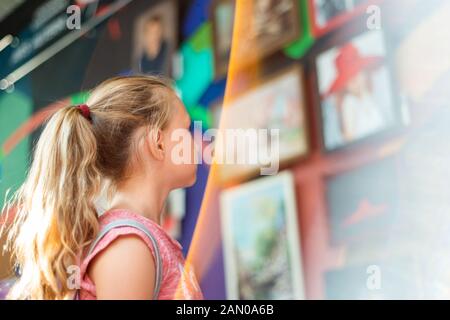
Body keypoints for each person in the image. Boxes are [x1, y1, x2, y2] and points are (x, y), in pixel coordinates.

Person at [2, 76, 203, 300]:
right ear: (158, 143)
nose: (195, 139)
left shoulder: (137, 240)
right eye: (185, 129)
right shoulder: (128, 246)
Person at [324, 43, 385, 142]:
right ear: (344, 86)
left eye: (357, 74)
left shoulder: (369, 96)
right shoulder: (349, 102)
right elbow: (349, 137)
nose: (355, 81)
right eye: (349, 79)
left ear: (365, 73)